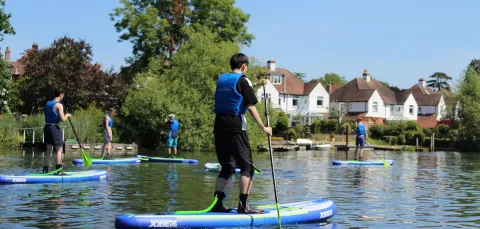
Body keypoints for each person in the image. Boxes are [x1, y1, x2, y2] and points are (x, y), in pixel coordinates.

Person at [211, 53, 272, 214]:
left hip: (219, 124)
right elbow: (250, 106)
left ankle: (217, 204)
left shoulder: (222, 79)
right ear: (244, 66)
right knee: (247, 167)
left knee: (227, 167)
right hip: (236, 125)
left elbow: (239, 92)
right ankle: (243, 206)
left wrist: (258, 85)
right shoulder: (243, 80)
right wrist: (263, 127)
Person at [43, 89, 71, 174]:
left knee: (48, 149)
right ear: (61, 95)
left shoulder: (47, 103)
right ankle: (58, 170)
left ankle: (45, 169)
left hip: (47, 127)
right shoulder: (59, 105)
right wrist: (67, 115)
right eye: (63, 95)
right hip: (54, 127)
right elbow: (62, 119)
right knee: (59, 149)